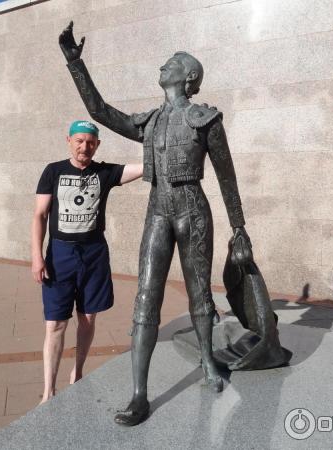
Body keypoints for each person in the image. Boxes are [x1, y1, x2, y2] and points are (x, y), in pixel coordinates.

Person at [59, 22, 253, 425]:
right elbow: (99, 111)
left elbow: (227, 175)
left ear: (189, 77)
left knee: (200, 294)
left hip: (193, 207)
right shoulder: (149, 122)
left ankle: (207, 362)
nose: (164, 66)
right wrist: (75, 63)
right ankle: (139, 395)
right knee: (146, 296)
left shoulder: (206, 119)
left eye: (173, 64)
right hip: (159, 209)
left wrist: (239, 227)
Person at [31, 120, 143, 403]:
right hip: (60, 254)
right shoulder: (53, 171)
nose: (85, 147)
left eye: (90, 142)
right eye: (79, 140)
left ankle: (78, 372)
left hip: (94, 254)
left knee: (88, 318)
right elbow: (40, 215)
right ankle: (48, 391)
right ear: (68, 140)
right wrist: (37, 256)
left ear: (97, 144)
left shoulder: (104, 172)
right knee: (55, 323)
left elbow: (144, 167)